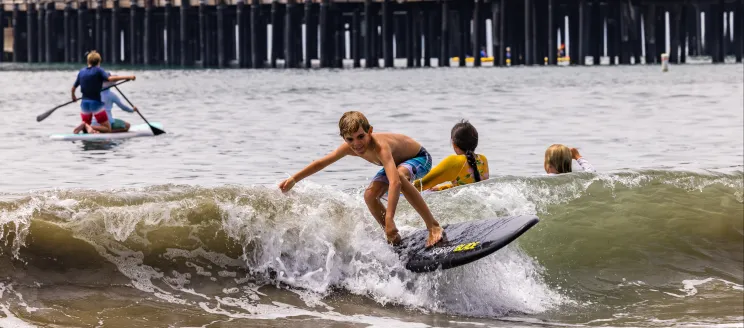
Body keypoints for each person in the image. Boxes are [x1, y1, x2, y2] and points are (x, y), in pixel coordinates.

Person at [277, 111, 444, 247]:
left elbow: (395, 183)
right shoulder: (349, 148)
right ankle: (392, 236)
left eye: (360, 136)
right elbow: (321, 163)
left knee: (399, 176)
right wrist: (294, 179)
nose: (356, 144)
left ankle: (433, 226)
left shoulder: (380, 147)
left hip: (420, 158)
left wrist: (389, 217)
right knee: (369, 195)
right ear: (343, 137)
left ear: (370, 131)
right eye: (350, 139)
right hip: (396, 164)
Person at [412, 120, 489, 192]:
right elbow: (468, 186)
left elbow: (421, 185)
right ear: (476, 143)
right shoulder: (483, 159)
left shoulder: (455, 161)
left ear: (453, 143)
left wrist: (402, 179)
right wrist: (441, 188)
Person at [71, 51, 135, 134]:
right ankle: (88, 126)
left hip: (84, 104)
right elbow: (110, 79)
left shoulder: (81, 72)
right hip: (95, 104)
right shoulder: (99, 70)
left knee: (86, 129)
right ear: (99, 62)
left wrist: (73, 97)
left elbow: (73, 88)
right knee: (107, 128)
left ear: (88, 62)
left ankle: (85, 125)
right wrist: (128, 77)